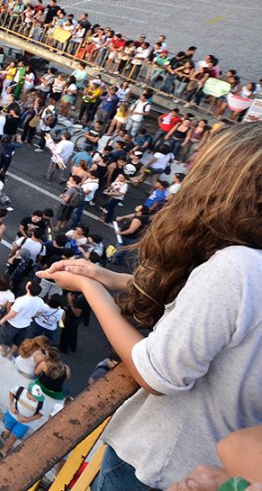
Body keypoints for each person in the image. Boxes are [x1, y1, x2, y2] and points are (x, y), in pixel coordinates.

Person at [38, 122, 262, 491]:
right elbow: (208, 311)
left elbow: (156, 374)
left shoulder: (236, 267)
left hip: (162, 465)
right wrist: (107, 276)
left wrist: (89, 287)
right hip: (212, 460)